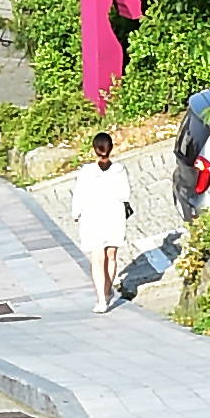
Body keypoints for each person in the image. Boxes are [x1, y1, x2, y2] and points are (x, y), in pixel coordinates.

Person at [65, 130, 135, 312]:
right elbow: (125, 195)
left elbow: (79, 194)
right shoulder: (119, 170)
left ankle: (102, 299)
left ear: (94, 149)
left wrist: (75, 212)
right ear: (111, 148)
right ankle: (107, 290)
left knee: (97, 258)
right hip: (114, 215)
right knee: (111, 256)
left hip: (92, 216)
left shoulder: (86, 171)